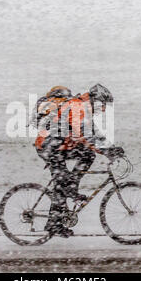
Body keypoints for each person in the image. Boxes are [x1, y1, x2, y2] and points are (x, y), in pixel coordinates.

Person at [32, 84, 124, 237]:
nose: (103, 110)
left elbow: (95, 134)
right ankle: (68, 193)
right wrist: (106, 151)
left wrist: (111, 148)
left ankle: (55, 220)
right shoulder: (77, 106)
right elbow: (85, 135)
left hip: (60, 147)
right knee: (63, 182)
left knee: (87, 156)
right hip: (50, 147)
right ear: (94, 100)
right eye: (102, 105)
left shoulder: (84, 110)